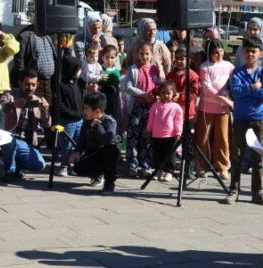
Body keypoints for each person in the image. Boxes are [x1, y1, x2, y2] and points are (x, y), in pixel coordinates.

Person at [227, 36, 263, 205]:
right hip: (240, 117)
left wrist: (252, 90)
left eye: (254, 51)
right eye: (247, 51)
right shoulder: (237, 72)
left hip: (258, 118)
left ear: (261, 53)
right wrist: (253, 87)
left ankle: (258, 191)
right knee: (237, 155)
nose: (250, 54)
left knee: (258, 157)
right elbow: (236, 92)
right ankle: (234, 189)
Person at [0, 69, 50, 181]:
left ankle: (17, 165)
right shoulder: (11, 95)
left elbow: (47, 124)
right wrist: (13, 105)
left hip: (26, 142)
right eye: (27, 84)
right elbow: (0, 106)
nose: (30, 88)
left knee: (40, 165)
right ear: (20, 83)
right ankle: (10, 171)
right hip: (10, 137)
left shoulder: (38, 100)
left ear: (37, 85)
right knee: (10, 143)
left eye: (33, 85)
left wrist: (45, 111)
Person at [121, 41, 161, 178]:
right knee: (133, 136)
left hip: (150, 108)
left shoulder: (155, 69)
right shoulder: (133, 69)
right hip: (137, 107)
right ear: (138, 55)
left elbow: (158, 86)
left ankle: (146, 165)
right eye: (142, 54)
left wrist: (155, 95)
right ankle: (132, 164)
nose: (145, 57)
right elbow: (127, 87)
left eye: (147, 54)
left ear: (151, 55)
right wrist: (143, 94)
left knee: (147, 136)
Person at [196, 39, 233, 178]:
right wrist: (223, 98)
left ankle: (223, 166)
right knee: (203, 138)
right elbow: (206, 87)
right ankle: (202, 165)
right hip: (207, 108)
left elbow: (233, 82)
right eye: (215, 53)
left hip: (224, 109)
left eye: (221, 51)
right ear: (209, 54)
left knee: (223, 138)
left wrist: (229, 97)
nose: (219, 54)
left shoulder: (229, 65)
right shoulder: (205, 67)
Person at [68, 92, 119, 192]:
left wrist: (97, 126)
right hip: (92, 154)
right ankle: (98, 174)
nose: (84, 111)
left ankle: (109, 182)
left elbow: (107, 140)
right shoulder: (86, 120)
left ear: (97, 111)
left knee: (110, 150)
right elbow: (82, 139)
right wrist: (77, 151)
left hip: (106, 155)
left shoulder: (110, 122)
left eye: (86, 109)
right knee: (78, 167)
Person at [54, 51, 85, 178]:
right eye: (77, 69)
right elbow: (59, 105)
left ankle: (73, 166)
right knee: (66, 145)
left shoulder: (78, 83)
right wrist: (71, 113)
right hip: (68, 121)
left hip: (79, 120)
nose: (79, 71)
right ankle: (64, 166)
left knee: (77, 144)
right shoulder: (61, 85)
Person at [146, 80, 183, 181]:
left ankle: (169, 172)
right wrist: (149, 129)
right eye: (163, 93)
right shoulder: (155, 106)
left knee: (170, 154)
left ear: (173, 94)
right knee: (157, 154)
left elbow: (178, 121)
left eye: (168, 93)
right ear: (159, 93)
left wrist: (178, 133)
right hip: (157, 135)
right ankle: (157, 170)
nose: (166, 95)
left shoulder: (176, 107)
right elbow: (151, 119)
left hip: (170, 136)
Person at [12, 25, 56, 99]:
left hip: (48, 83)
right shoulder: (25, 35)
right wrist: (25, 81)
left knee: (46, 108)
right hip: (33, 84)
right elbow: (19, 61)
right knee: (34, 108)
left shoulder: (48, 36)